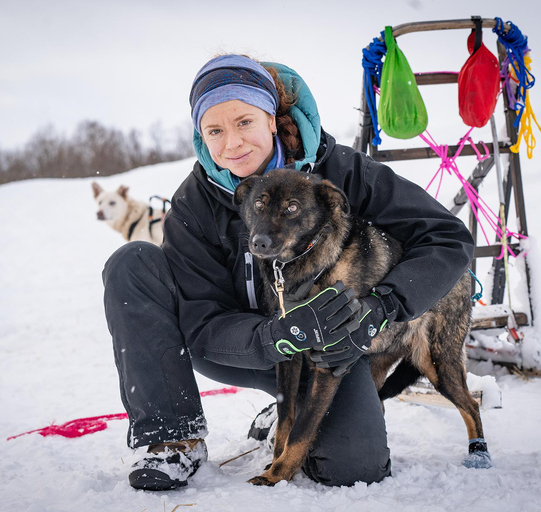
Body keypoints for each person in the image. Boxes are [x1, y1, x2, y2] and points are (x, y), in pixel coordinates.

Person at [102, 54, 474, 491]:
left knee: (354, 468)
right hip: (240, 347)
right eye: (214, 130)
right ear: (200, 135)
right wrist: (277, 336)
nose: (231, 144)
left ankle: (287, 404)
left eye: (244, 122)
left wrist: (383, 306)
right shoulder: (194, 204)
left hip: (329, 349)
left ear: (272, 121)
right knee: (132, 263)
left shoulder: (339, 171)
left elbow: (448, 239)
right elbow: (202, 323)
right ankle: (174, 441)